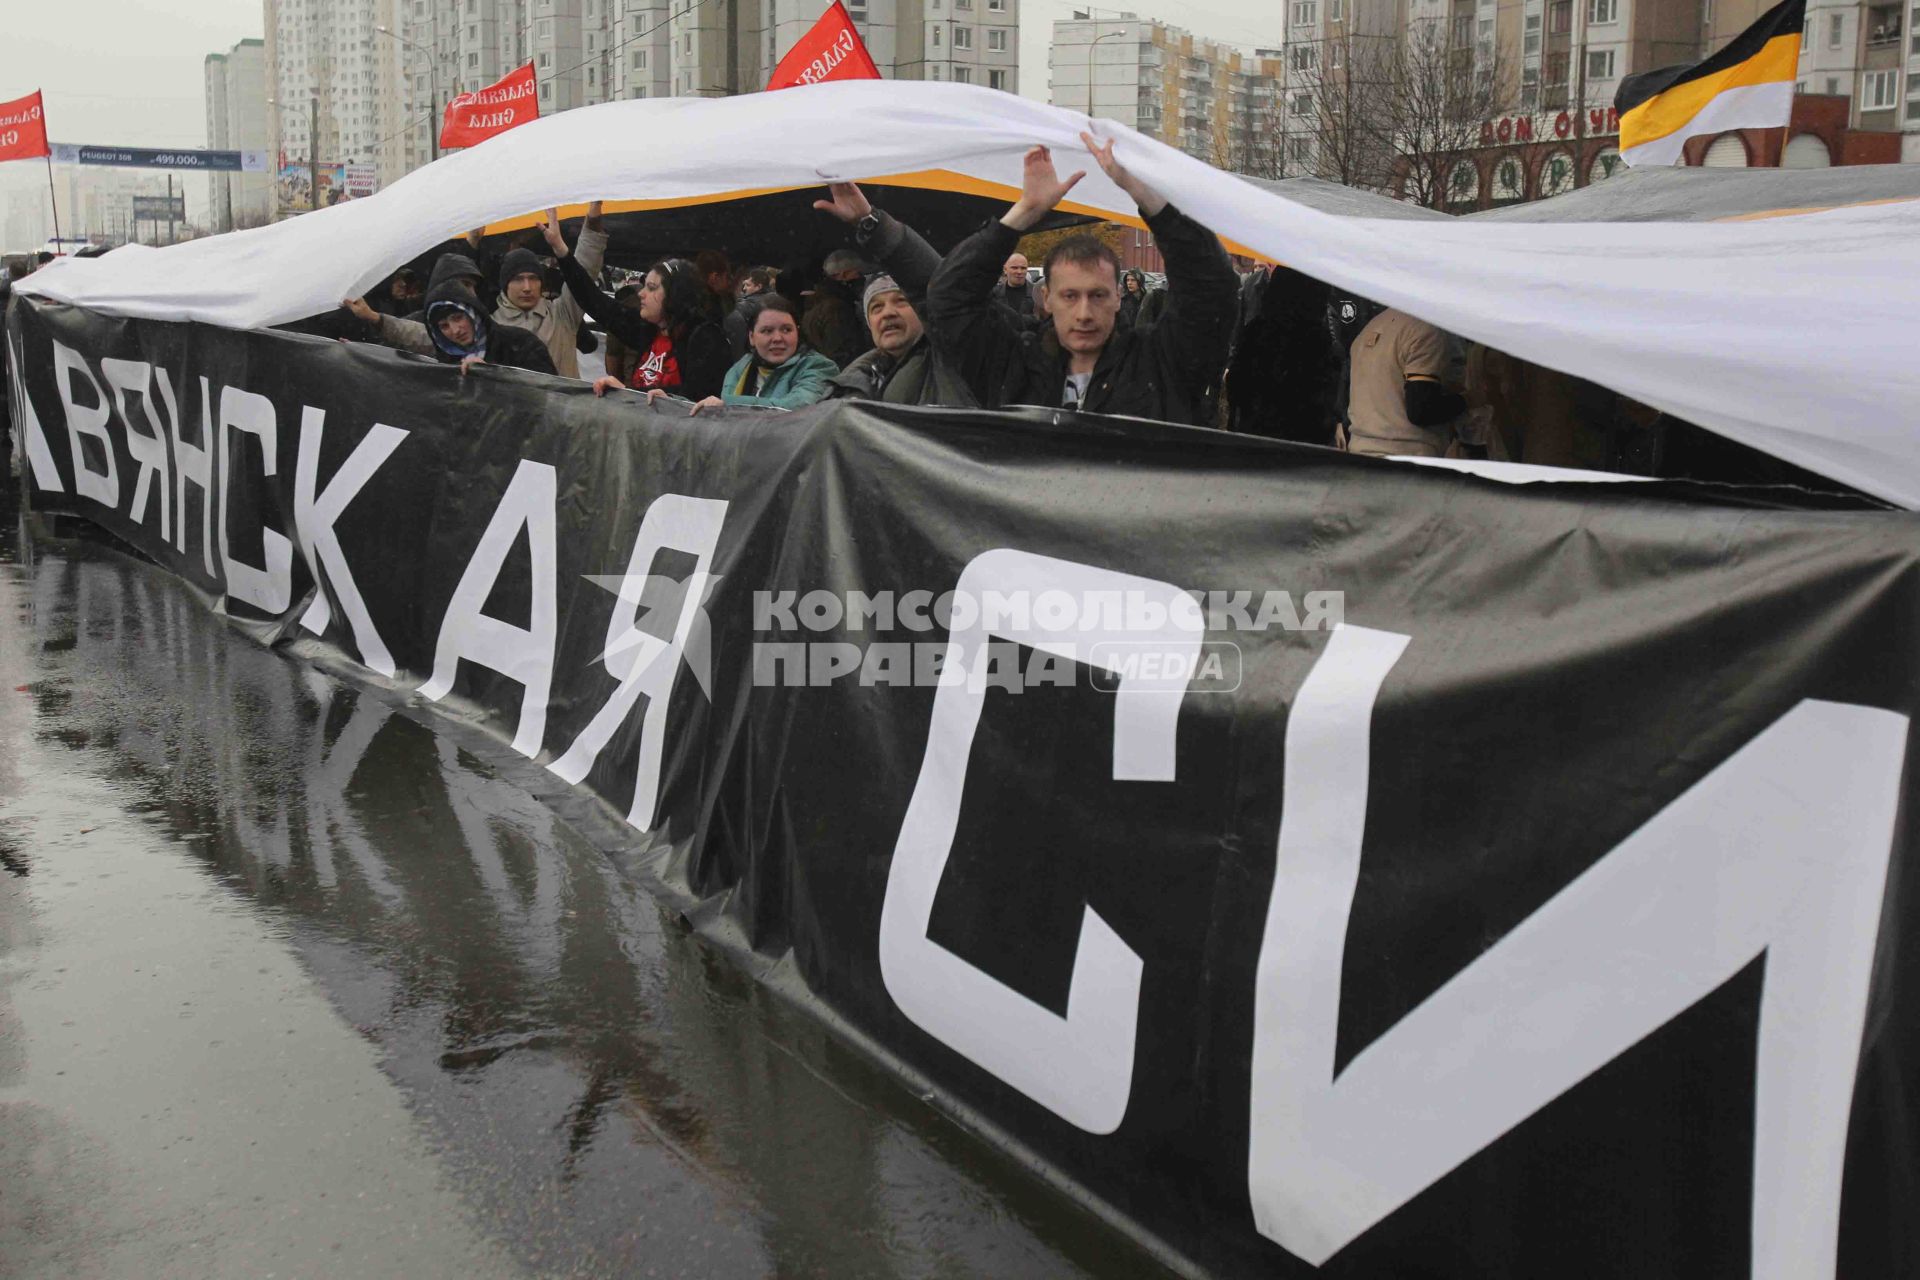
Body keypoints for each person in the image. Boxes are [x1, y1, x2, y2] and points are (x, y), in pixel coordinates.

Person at [925, 134, 1239, 424]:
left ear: (1118, 297)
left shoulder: (1162, 362)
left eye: (1098, 295)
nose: (1084, 314)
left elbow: (1212, 289)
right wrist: (1024, 212)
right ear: (1046, 297)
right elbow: (948, 297)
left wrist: (1149, 199)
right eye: (1070, 296)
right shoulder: (1013, 363)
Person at [810, 181, 972, 406]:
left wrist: (870, 222)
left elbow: (939, 288)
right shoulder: (849, 384)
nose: (888, 313)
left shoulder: (957, 362)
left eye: (901, 301)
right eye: (876, 307)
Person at [538, 215, 730, 403]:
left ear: (675, 296)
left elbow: (698, 398)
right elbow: (594, 301)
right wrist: (561, 250)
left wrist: (628, 394)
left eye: (652, 288)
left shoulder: (705, 338)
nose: (641, 294)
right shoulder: (649, 329)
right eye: (645, 285)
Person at [1342, 307, 1494, 457]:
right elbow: (1421, 410)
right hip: (1407, 459)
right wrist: (1468, 399)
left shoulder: (1370, 328)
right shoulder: (1427, 329)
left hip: (1360, 456)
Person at [491, 202, 606, 379]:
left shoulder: (562, 314)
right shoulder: (490, 326)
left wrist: (592, 219)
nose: (527, 287)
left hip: (564, 406)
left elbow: (585, 270)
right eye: (518, 279)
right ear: (505, 284)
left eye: (533, 278)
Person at [343, 281, 555, 375]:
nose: (455, 330)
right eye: (444, 326)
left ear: (471, 311)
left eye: (458, 318)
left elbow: (549, 395)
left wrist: (493, 374)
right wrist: (361, 354)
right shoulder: (445, 353)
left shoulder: (520, 343)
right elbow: (411, 335)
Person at [687, 294, 839, 415]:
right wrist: (669, 401)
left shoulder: (819, 367)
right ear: (752, 337)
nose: (778, 338)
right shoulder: (740, 368)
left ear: (798, 332)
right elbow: (711, 407)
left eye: (786, 330)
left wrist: (729, 407)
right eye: (767, 331)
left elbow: (795, 408)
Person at [801, 248, 871, 369]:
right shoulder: (836, 309)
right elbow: (843, 354)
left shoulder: (817, 303)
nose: (861, 278)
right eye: (858, 273)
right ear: (844, 275)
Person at [725, 266, 777, 359]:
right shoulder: (777, 302)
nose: (744, 288)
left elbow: (738, 344)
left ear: (758, 287)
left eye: (748, 285)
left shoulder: (741, 308)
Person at [992, 253, 1039, 324]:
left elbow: (1041, 319)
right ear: (1005, 269)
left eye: (1023, 268)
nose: (1019, 272)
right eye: (1014, 268)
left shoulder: (1037, 293)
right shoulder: (994, 294)